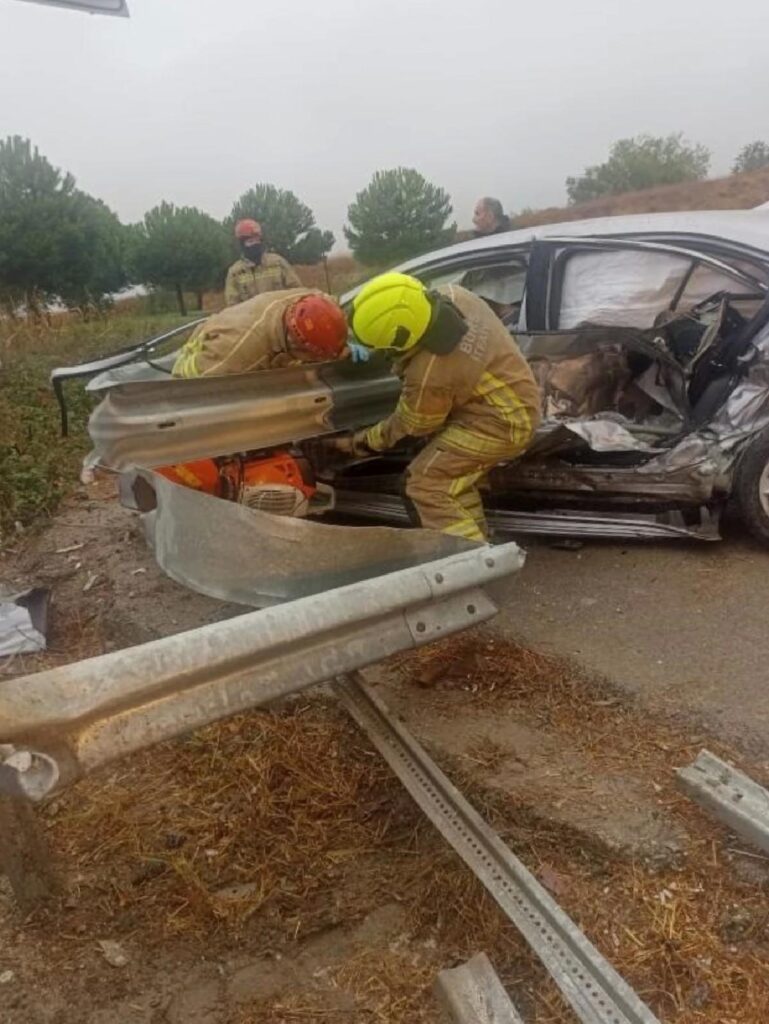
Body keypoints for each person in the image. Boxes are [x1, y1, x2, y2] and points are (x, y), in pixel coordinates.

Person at [331, 273, 541, 543]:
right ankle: (478, 545)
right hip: (517, 399)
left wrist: (354, 443)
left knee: (424, 485)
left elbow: (410, 427)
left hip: (502, 424)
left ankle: (468, 565)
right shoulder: (454, 296)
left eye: (381, 348)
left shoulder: (429, 374)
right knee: (452, 484)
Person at [173, 289, 348, 378]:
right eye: (317, 356)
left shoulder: (316, 301)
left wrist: (343, 345)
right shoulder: (240, 353)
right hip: (200, 363)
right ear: (295, 343)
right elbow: (189, 386)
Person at [224, 219, 302, 306]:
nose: (255, 244)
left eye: (257, 240)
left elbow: (297, 291)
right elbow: (233, 306)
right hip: (253, 319)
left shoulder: (278, 263)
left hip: (280, 316)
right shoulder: (235, 272)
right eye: (250, 241)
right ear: (242, 245)